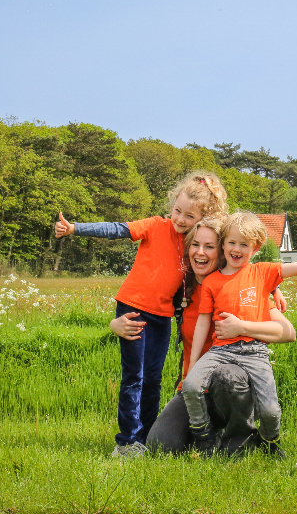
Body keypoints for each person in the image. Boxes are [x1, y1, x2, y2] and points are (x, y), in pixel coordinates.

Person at [54, 172, 227, 458]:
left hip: (162, 317)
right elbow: (116, 229)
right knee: (134, 377)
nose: (180, 219)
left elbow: (237, 260)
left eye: (189, 216)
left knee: (153, 379)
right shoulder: (155, 226)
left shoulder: (193, 246)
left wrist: (274, 288)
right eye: (177, 211)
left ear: (202, 217)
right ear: (171, 205)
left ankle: (145, 438)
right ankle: (126, 442)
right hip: (133, 309)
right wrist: (75, 228)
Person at [183, 210, 297, 456]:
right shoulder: (212, 282)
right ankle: (204, 438)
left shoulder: (262, 273)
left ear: (255, 248)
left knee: (270, 411)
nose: (236, 249)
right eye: (232, 242)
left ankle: (269, 441)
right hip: (221, 350)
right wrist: (193, 364)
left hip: (255, 352)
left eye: (244, 244)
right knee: (191, 386)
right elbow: (203, 322)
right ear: (223, 244)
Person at [111, 217, 296, 454]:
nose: (200, 252)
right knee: (162, 445)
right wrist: (115, 323)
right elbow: (146, 308)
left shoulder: (238, 290)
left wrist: (242, 327)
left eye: (209, 247)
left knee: (228, 375)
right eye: (194, 244)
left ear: (222, 252)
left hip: (230, 385)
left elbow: (288, 332)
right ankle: (208, 434)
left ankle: (240, 439)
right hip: (195, 388)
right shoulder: (182, 291)